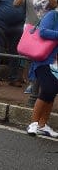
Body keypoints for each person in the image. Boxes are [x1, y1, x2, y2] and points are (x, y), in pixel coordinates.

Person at [13, 0, 58, 99]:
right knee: (29, 56)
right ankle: (31, 83)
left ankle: (41, 83)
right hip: (31, 30)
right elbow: (15, 4)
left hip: (47, 30)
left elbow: (55, 4)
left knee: (45, 56)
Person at [26, 9, 58, 137]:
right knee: (47, 90)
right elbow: (43, 32)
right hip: (45, 59)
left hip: (56, 63)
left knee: (52, 92)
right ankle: (33, 123)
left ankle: (42, 125)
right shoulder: (53, 15)